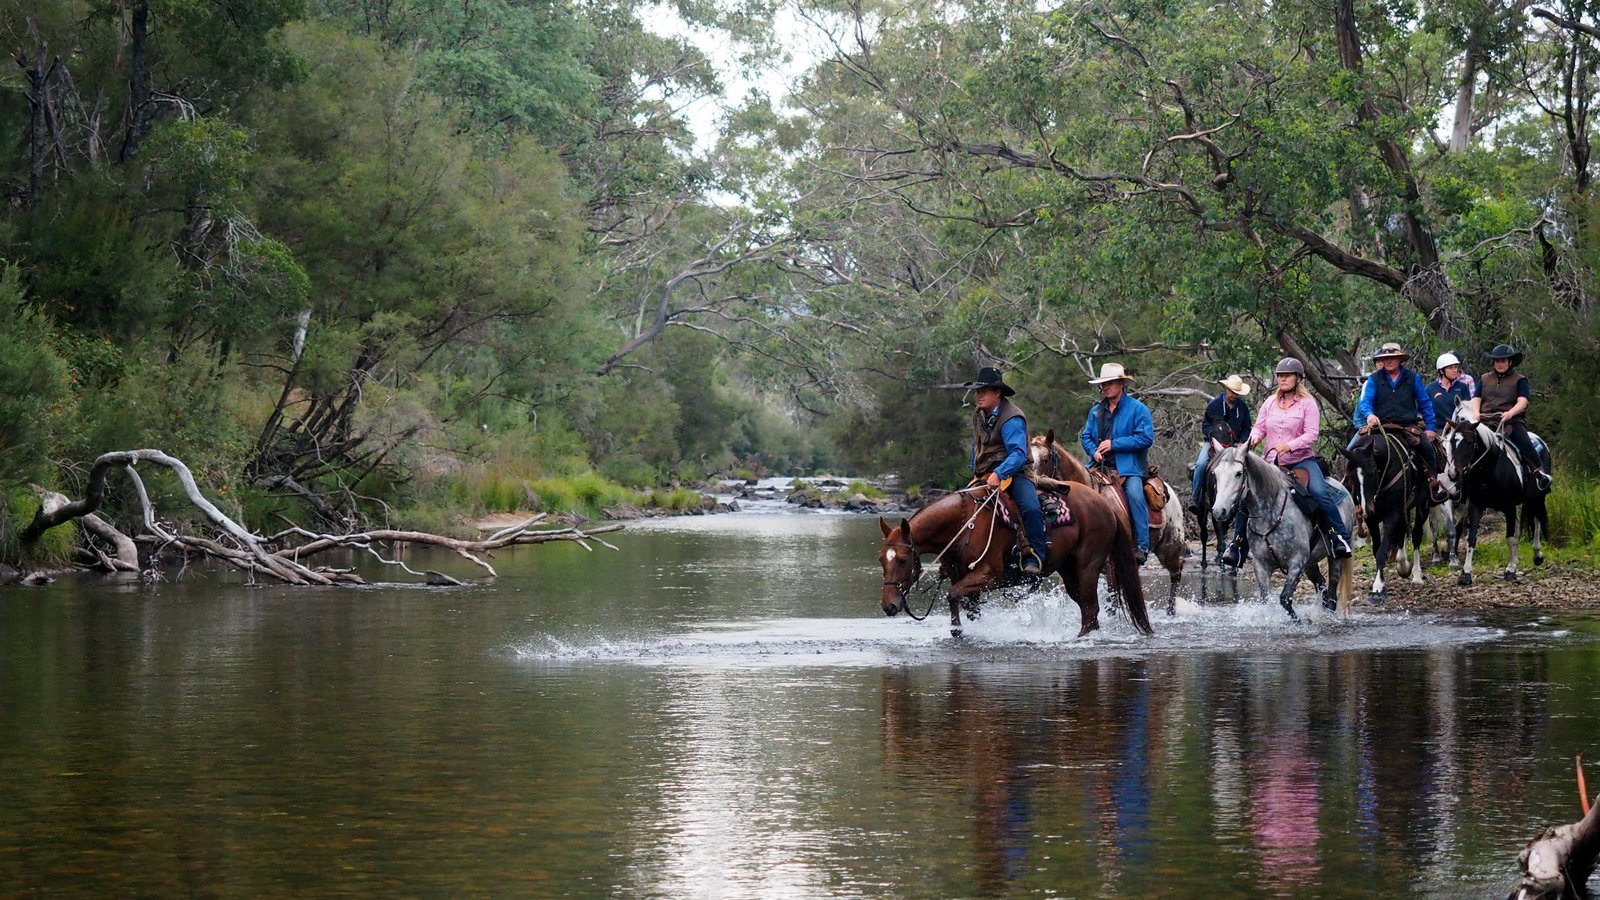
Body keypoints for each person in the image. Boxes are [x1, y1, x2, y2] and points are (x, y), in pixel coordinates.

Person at [1249, 357, 1354, 559]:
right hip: (1271, 463)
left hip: (1301, 461)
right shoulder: (1270, 402)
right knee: (1247, 492)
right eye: (1280, 375)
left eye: (1287, 376)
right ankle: (1237, 545)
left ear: (1298, 378)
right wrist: (1252, 439)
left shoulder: (1308, 404)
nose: (1282, 379)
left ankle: (1339, 537)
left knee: (1319, 493)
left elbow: (1312, 434)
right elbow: (1259, 427)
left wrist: (1290, 445)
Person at [962, 366, 1048, 574]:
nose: (979, 395)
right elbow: (977, 445)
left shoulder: (1012, 418)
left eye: (984, 390)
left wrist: (999, 473)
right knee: (962, 508)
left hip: (1016, 473)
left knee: (1030, 507)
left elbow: (1018, 454)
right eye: (977, 391)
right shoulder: (979, 414)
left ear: (997, 392)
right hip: (985, 474)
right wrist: (976, 472)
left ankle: (1036, 556)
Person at [1079, 362, 1155, 564]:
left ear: (1121, 383)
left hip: (1128, 468)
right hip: (1098, 466)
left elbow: (1146, 438)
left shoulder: (1138, 409)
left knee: (1136, 496)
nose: (1105, 387)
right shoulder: (1096, 411)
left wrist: (1115, 444)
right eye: (1103, 384)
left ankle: (1141, 546)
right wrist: (1093, 451)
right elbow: (1086, 436)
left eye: (1110, 383)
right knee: (1077, 494)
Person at [1352, 341, 1447, 502]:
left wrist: (1430, 427)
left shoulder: (1413, 378)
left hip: (1406, 425)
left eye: (1392, 358)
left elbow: (1424, 403)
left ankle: (1432, 484)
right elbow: (1366, 402)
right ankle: (1353, 487)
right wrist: (1369, 414)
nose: (1389, 361)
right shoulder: (1374, 379)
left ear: (1400, 360)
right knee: (1355, 450)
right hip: (1379, 426)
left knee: (1427, 447)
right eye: (1386, 358)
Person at [1469, 344, 1550, 491]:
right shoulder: (1484, 379)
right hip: (1485, 421)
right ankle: (1461, 482)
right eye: (1497, 361)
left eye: (1503, 361)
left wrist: (1510, 413)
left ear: (1510, 362)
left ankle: (1540, 474)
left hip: (1511, 421)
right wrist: (1476, 413)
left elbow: (1523, 401)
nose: (1499, 364)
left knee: (1525, 443)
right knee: (1466, 444)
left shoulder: (1520, 380)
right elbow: (1476, 398)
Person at [1188, 374, 1253, 517]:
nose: (1234, 395)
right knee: (1201, 464)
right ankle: (1195, 498)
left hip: (1235, 444)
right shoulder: (1214, 405)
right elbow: (1205, 425)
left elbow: (1247, 427)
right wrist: (1213, 439)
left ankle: (1247, 503)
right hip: (1214, 443)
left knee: (1250, 465)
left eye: (1237, 393)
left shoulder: (1242, 407)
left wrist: (1242, 441)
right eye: (1232, 392)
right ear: (1226, 389)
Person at [1426, 351, 1476, 427]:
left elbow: (1468, 410)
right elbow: (1425, 410)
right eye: (1450, 368)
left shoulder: (1463, 387)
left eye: (1456, 367)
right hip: (1437, 429)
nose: (1455, 370)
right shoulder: (1430, 388)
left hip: (1459, 429)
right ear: (1441, 371)